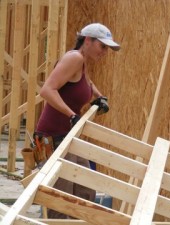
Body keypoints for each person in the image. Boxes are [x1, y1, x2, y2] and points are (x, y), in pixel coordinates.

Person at [34, 23, 120, 218]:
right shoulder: (74, 58)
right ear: (88, 41)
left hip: (66, 137)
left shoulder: (82, 60)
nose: (105, 52)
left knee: (84, 192)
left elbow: (86, 83)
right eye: (103, 46)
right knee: (61, 202)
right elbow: (47, 90)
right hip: (50, 139)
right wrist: (71, 114)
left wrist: (99, 97)